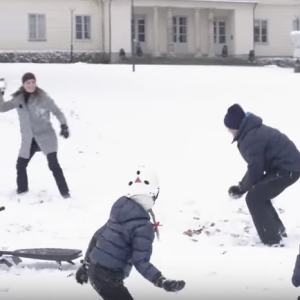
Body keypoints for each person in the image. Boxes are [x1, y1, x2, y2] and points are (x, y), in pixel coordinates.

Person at [75, 166, 185, 300]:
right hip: (108, 277)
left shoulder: (120, 211)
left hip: (96, 270)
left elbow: (97, 236)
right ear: (154, 193)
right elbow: (140, 262)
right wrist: (160, 280)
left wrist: (87, 265)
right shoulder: (143, 226)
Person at [224, 104, 300, 246]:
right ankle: (277, 231)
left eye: (229, 127)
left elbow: (255, 169)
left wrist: (241, 188)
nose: (229, 130)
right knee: (259, 193)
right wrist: (243, 186)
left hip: (288, 169)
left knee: (254, 197)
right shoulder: (252, 131)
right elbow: (256, 169)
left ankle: (272, 240)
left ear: (236, 126)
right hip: (285, 167)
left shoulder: (251, 138)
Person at [0, 72, 71, 198]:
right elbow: (2, 108)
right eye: (28, 83)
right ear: (23, 85)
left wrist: (63, 125)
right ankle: (22, 191)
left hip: (46, 136)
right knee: (20, 165)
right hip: (29, 139)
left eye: (33, 82)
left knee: (53, 165)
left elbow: (57, 111)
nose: (31, 85)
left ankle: (65, 193)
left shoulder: (43, 98)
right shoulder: (19, 99)